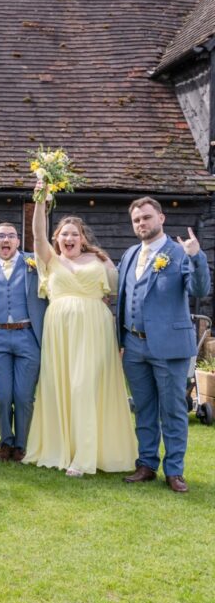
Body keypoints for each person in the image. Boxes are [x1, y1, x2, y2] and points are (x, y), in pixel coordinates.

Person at [24, 193, 136, 476]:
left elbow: (120, 290)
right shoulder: (49, 259)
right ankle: (65, 448)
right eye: (64, 234)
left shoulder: (100, 260)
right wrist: (40, 198)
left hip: (94, 329)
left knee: (84, 386)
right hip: (60, 330)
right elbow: (37, 233)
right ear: (57, 239)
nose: (69, 238)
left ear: (83, 238)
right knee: (61, 385)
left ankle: (86, 456)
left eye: (74, 234)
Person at [117, 197, 210, 493]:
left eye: (146, 217)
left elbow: (199, 289)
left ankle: (174, 470)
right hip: (134, 346)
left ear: (161, 218)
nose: (141, 223)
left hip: (170, 346)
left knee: (172, 411)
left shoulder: (179, 252)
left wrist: (196, 257)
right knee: (143, 409)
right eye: (136, 220)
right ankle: (146, 464)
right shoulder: (130, 253)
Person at [0, 223, 47, 462]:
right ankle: (5, 442)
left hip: (27, 335)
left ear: (18, 241)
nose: (5, 239)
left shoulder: (34, 264)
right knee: (1, 395)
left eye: (11, 235)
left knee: (23, 396)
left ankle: (21, 444)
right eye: (0, 236)